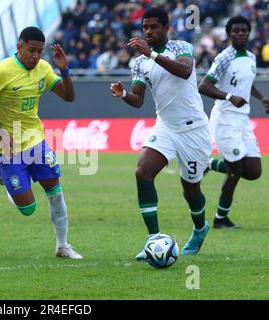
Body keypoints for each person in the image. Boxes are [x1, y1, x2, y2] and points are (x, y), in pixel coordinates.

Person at [0, 26, 82, 259]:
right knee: (28, 209)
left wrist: (65, 70)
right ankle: (6, 179)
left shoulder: (43, 68)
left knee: (55, 192)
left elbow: (68, 97)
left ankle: (63, 246)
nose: (35, 56)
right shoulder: (2, 71)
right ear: (19, 46)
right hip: (7, 146)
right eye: (31, 50)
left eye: (40, 52)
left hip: (35, 139)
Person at [109, 8, 212, 258]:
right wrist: (123, 95)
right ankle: (153, 240)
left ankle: (200, 228)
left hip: (194, 128)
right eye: (145, 27)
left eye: (153, 27)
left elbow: (185, 71)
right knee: (143, 172)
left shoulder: (181, 47)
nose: (148, 32)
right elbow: (138, 99)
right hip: (165, 126)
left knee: (190, 190)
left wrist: (152, 53)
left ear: (166, 28)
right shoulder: (140, 62)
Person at [199, 16, 269, 229]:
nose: (240, 34)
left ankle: (209, 164)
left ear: (249, 33)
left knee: (254, 171)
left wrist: (261, 97)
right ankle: (221, 218)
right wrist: (229, 97)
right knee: (236, 171)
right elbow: (204, 86)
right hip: (225, 119)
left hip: (243, 119)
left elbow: (247, 84)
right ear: (229, 34)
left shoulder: (250, 57)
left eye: (244, 30)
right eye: (236, 31)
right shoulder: (223, 58)